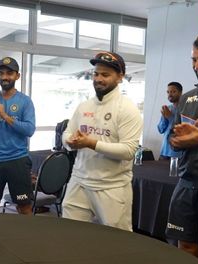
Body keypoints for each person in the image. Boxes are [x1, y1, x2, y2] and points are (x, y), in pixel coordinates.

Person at [61, 51, 142, 231]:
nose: (98, 79)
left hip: (112, 186)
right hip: (79, 180)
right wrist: (70, 141)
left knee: (117, 245)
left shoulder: (127, 108)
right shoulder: (84, 106)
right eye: (96, 74)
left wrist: (91, 143)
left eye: (105, 75)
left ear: (120, 77)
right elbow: (66, 134)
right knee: (70, 236)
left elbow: (129, 151)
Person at [166, 32, 198, 264]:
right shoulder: (187, 98)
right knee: (184, 248)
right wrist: (179, 140)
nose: (197, 65)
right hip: (185, 183)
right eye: (194, 60)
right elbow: (175, 137)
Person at [0, 57, 36, 215]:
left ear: (17, 76)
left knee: (24, 207)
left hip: (18, 159)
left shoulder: (25, 101)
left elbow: (30, 130)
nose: (4, 77)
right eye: (1, 73)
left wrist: (4, 115)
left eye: (9, 73)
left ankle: (26, 240)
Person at [157, 81, 183, 160]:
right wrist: (164, 117)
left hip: (178, 154)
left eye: (173, 92)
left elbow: (181, 130)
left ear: (180, 93)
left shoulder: (186, 108)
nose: (170, 94)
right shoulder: (168, 108)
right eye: (168, 92)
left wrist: (170, 117)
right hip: (164, 152)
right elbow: (160, 130)